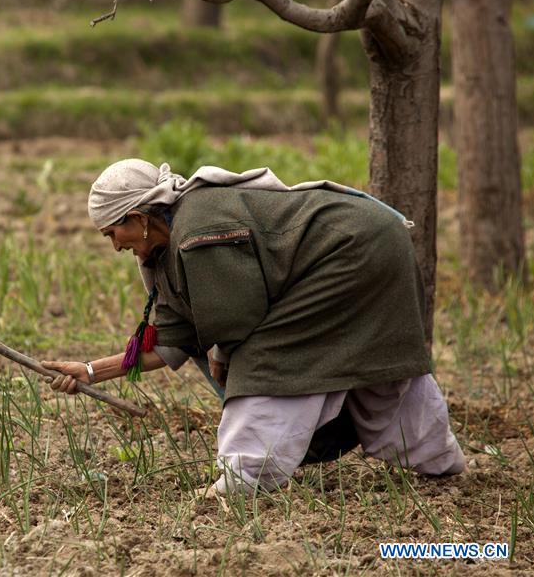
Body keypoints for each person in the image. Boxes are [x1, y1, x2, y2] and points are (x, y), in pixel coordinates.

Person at [44, 159, 465, 494]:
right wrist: (91, 370)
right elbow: (174, 341)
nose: (116, 245)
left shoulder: (197, 232)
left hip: (351, 251)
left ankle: (245, 476)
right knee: (379, 365)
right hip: (375, 243)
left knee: (268, 358)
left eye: (113, 232)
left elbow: (237, 324)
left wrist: (226, 358)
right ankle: (436, 457)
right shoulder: (169, 245)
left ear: (139, 218)